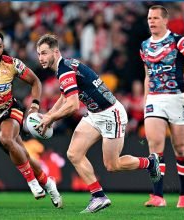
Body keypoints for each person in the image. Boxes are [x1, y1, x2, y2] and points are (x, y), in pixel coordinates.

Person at [36, 34, 161, 214]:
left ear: (56, 52)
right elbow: (65, 97)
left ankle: (149, 163)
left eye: (44, 53)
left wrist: (50, 119)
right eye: (39, 54)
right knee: (74, 153)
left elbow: (72, 106)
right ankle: (98, 196)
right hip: (95, 114)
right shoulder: (65, 66)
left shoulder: (65, 70)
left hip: (111, 114)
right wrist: (48, 114)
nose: (41, 58)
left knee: (112, 165)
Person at [0, 30, 62, 208]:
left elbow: (36, 81)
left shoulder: (12, 63)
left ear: (3, 47)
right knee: (24, 156)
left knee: (6, 138)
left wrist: (35, 105)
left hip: (11, 110)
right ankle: (49, 184)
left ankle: (32, 183)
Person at [140, 5, 184, 208]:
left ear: (165, 20)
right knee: (155, 146)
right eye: (150, 18)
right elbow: (148, 75)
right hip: (155, 99)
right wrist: (145, 99)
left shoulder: (179, 41)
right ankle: (158, 196)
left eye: (156, 18)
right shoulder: (144, 45)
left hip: (178, 98)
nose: (151, 21)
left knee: (180, 148)